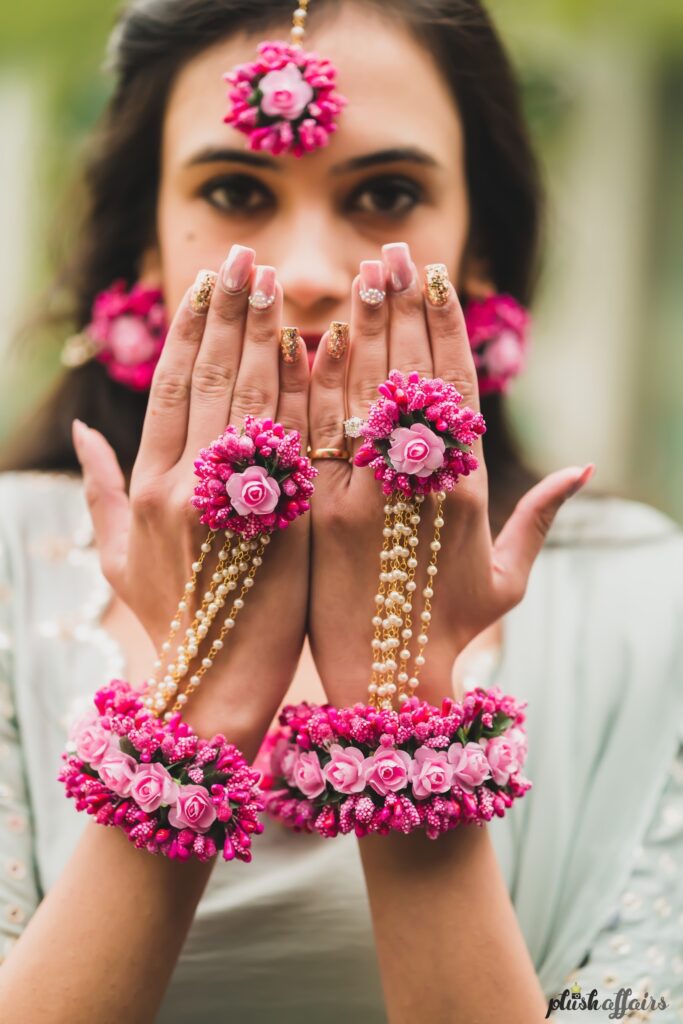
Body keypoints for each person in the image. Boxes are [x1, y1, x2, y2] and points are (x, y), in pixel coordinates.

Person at [0, 1, 681, 1021]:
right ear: (143, 249)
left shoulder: (642, 605)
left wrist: (400, 705)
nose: (311, 274)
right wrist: (198, 700)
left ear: (479, 251)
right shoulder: (11, 568)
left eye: (387, 192)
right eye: (233, 189)